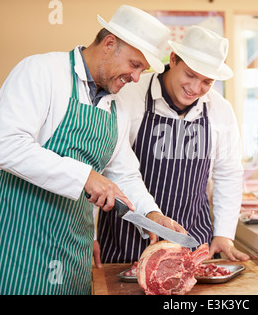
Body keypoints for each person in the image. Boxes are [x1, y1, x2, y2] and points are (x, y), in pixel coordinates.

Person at [0, 5, 185, 295]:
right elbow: (8, 147)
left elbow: (124, 175)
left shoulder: (119, 106)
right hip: (16, 239)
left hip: (72, 243)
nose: (137, 77)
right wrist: (87, 176)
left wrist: (151, 214)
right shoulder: (40, 71)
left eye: (142, 69)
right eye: (134, 64)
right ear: (109, 44)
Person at [97, 25, 250, 263]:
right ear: (173, 59)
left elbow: (228, 174)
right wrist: (92, 235)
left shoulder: (220, 110)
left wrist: (223, 233)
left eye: (207, 82)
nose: (195, 88)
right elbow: (108, 167)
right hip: (126, 242)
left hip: (191, 242)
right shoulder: (130, 95)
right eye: (190, 75)